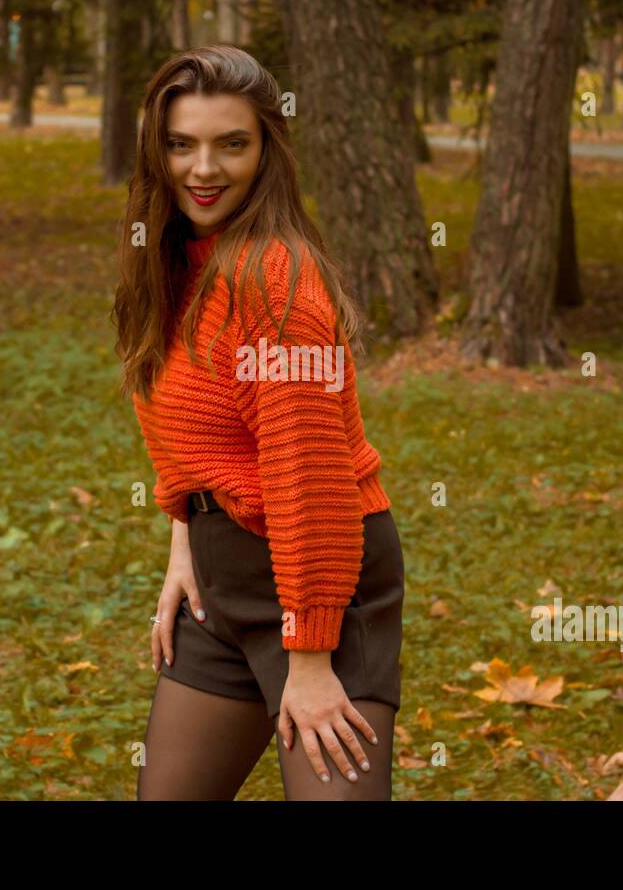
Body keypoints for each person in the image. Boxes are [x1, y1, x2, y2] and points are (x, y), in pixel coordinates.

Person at [113, 45, 405, 800]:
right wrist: (185, 537)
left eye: (231, 144)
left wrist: (309, 658)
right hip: (220, 583)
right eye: (181, 144)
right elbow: (189, 434)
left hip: (318, 584)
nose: (202, 169)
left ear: (267, 150)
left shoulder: (276, 282)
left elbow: (311, 480)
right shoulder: (173, 263)